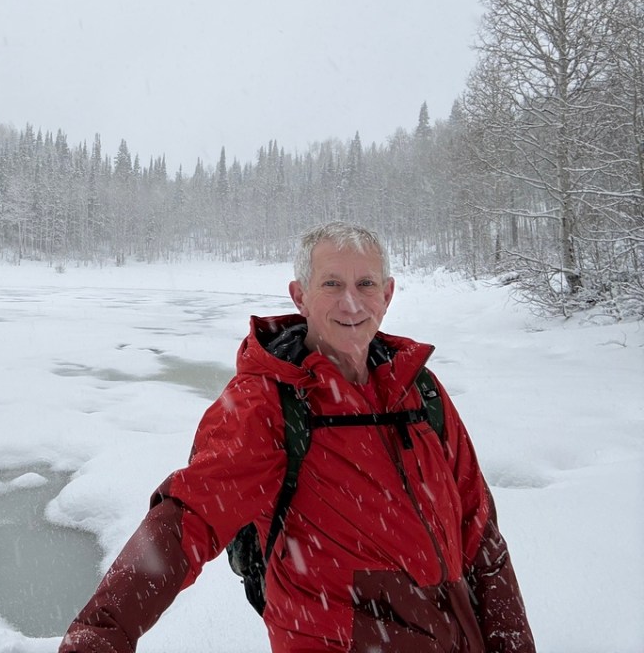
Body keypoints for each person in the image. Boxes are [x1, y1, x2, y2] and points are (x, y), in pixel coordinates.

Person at [59, 222, 536, 653]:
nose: (352, 303)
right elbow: (187, 520)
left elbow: (481, 536)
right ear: (299, 296)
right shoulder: (268, 402)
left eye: (366, 284)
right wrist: (101, 634)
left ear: (388, 294)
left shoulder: (420, 391)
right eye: (332, 284)